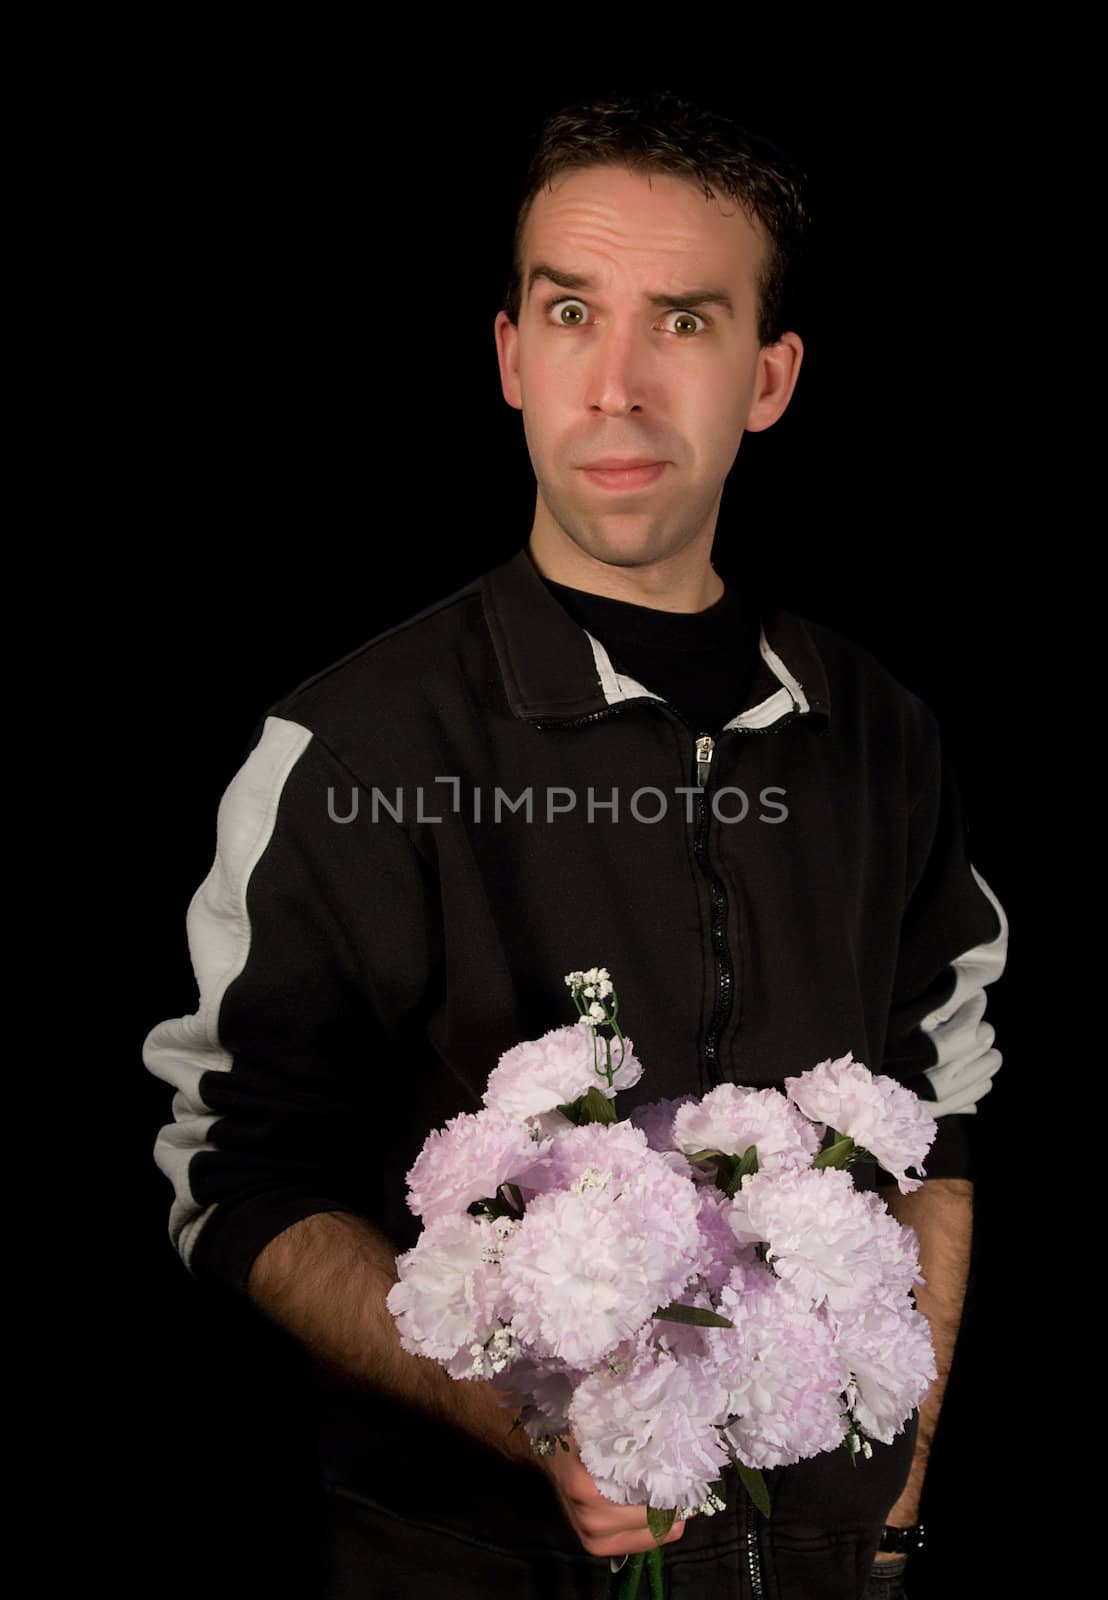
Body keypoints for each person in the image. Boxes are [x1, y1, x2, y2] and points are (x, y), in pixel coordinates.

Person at [143, 87, 1009, 1599]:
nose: (613, 386)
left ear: (770, 376)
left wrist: (888, 1505)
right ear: (508, 354)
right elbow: (231, 1174)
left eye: (682, 322)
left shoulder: (881, 736)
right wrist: (525, 1414)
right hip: (469, 1567)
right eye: (568, 313)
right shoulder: (358, 749)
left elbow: (945, 1123)